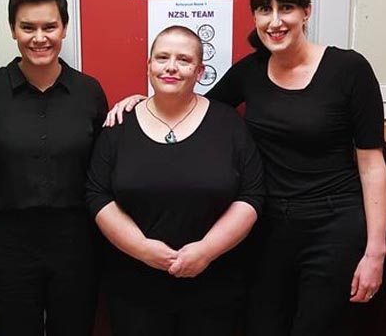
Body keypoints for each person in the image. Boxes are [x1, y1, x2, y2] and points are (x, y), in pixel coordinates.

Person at [107, 0, 386, 336]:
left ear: (307, 11)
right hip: (267, 230)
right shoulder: (250, 72)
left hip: (332, 227)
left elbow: (371, 166)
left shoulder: (348, 69)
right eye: (263, 10)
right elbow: (192, 107)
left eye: (286, 7)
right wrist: (143, 102)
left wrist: (375, 252)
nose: (274, 21)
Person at [87, 25, 266, 336]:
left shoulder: (229, 125)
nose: (171, 66)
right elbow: (97, 195)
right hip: (135, 288)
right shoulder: (118, 126)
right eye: (162, 57)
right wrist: (142, 248)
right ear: (149, 66)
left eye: (183, 60)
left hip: (215, 286)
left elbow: (251, 195)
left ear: (200, 71)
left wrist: (207, 251)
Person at [0, 0, 108, 336]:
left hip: (77, 244)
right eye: (28, 27)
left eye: (49, 26)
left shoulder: (88, 91)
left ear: (64, 28)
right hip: (7, 248)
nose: (39, 37)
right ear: (12, 30)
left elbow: (103, 169)